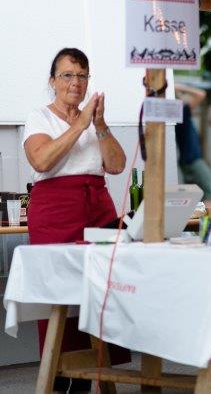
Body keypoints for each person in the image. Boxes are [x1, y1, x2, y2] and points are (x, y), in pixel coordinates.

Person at [23, 47, 130, 392]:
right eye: (68, 75)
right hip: (56, 210)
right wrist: (79, 124)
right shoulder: (39, 116)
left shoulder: (93, 122)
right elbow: (41, 160)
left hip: (97, 207)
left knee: (102, 289)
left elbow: (116, 165)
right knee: (61, 293)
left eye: (82, 76)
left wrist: (99, 125)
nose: (75, 82)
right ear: (53, 81)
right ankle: (62, 378)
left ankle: (100, 374)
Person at [174, 83, 211, 206]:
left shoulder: (180, 115)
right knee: (208, 196)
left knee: (193, 199)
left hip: (187, 161)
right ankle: (209, 220)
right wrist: (179, 87)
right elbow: (201, 94)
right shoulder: (181, 111)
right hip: (193, 161)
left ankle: (194, 219)